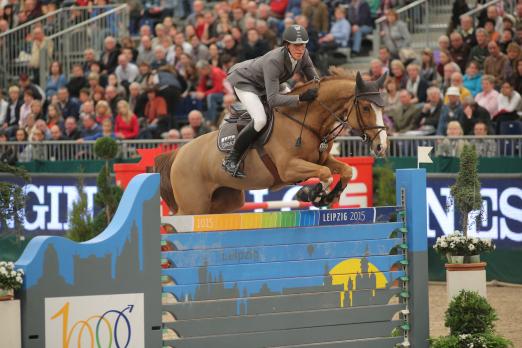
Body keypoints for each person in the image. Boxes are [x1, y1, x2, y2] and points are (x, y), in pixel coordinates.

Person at [223, 25, 320, 177]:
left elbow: (315, 80)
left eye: (303, 44)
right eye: (296, 45)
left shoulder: (304, 54)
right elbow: (273, 100)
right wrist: (300, 97)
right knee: (260, 120)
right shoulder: (274, 60)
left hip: (270, 82)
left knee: (292, 108)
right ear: (287, 45)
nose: (300, 49)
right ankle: (231, 159)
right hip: (247, 82)